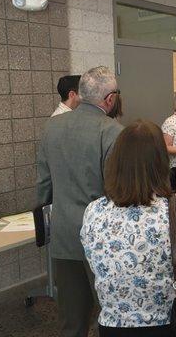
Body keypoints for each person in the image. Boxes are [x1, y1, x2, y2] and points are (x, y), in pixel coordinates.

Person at [80, 120, 176, 337]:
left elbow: (96, 263)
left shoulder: (94, 211)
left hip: (113, 324)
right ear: (160, 161)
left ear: (116, 162)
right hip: (172, 322)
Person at [37, 66, 123, 337]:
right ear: (110, 99)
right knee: (112, 314)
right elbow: (117, 190)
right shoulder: (113, 131)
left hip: (63, 235)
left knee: (71, 320)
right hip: (103, 239)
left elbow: (43, 185)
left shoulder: (52, 126)